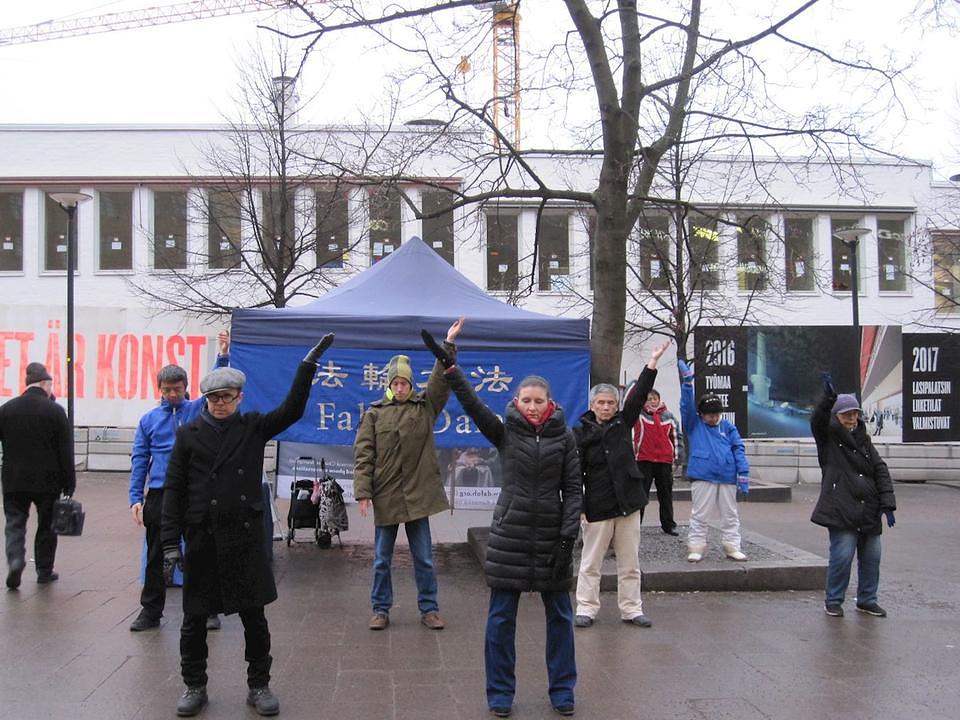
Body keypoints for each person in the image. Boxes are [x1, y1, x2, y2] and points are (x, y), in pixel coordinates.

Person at [161, 334, 334, 717]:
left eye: (228, 397)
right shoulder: (187, 436)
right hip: (203, 537)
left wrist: (307, 367)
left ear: (239, 398)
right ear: (206, 399)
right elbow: (173, 490)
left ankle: (259, 685)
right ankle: (194, 685)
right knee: (193, 621)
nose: (221, 404)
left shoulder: (253, 426)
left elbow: (291, 410)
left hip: (242, 537)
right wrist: (170, 543)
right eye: (214, 398)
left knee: (254, 618)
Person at [422, 325, 581, 718]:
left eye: (538, 400)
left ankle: (562, 690)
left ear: (550, 403)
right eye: (525, 400)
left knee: (560, 617)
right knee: (499, 621)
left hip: (550, 540)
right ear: (516, 400)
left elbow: (575, 491)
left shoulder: (566, 440)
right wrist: (450, 365)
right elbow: (473, 404)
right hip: (509, 536)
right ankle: (499, 693)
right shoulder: (505, 433)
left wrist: (566, 541)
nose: (531, 405)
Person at [353, 318, 462, 631]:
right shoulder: (374, 414)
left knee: (424, 558)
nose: (400, 387)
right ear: (388, 385)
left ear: (412, 384)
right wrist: (363, 492)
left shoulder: (425, 407)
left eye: (404, 383)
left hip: (417, 494)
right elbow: (364, 454)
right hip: (387, 494)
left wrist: (449, 344)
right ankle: (380, 609)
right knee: (381, 560)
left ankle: (429, 609)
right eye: (395, 383)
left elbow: (441, 380)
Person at [128, 330, 230, 632]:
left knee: (201, 551)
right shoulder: (149, 420)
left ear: (186, 387)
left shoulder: (197, 409)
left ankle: (209, 608)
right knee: (157, 554)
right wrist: (136, 497)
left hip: (196, 490)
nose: (173, 394)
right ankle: (150, 611)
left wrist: (223, 354)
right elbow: (139, 459)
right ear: (159, 388)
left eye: (178, 388)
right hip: (161, 493)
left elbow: (216, 381)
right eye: (167, 389)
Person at [573, 340, 670, 631]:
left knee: (630, 563)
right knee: (591, 563)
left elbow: (639, 395)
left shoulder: (623, 422)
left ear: (617, 405)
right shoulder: (579, 432)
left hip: (629, 501)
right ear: (592, 405)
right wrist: (578, 506)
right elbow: (574, 473)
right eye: (600, 403)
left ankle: (631, 609)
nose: (605, 407)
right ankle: (586, 608)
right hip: (597, 505)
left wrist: (651, 364)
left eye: (610, 402)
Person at [810, 377, 896, 618]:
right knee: (843, 556)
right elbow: (817, 421)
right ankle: (833, 600)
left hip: (868, 508)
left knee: (872, 558)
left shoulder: (865, 440)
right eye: (846, 414)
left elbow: (880, 469)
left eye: (854, 414)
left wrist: (888, 503)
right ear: (836, 416)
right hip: (841, 507)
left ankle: (867, 599)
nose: (851, 419)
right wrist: (827, 401)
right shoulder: (827, 440)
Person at [1, 362, 76, 589]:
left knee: (15, 523)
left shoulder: (7, 409)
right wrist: (69, 483)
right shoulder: (55, 411)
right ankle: (44, 570)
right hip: (48, 481)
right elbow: (65, 450)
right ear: (45, 384)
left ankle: (15, 559)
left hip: (14, 480)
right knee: (47, 525)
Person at [678, 358, 750, 562]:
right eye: (709, 414)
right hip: (703, 475)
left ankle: (732, 545)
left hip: (727, 475)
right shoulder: (694, 424)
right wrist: (687, 384)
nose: (713, 418)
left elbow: (738, 448)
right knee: (700, 514)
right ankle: (696, 546)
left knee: (730, 514)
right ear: (701, 414)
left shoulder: (728, 427)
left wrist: (743, 472)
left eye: (716, 413)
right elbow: (685, 406)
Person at [633, 387, 681, 536]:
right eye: (649, 399)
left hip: (664, 460)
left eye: (654, 398)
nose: (652, 402)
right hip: (643, 459)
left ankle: (668, 524)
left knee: (666, 494)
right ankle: (635, 525)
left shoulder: (669, 417)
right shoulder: (638, 415)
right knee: (641, 495)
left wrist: (678, 458)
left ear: (659, 400)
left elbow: (676, 438)